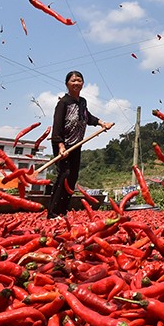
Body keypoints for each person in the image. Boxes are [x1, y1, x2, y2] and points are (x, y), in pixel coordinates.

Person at [48, 71, 113, 218]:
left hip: (76, 145)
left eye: (79, 80)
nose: (76, 83)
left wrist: (102, 123)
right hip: (63, 145)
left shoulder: (82, 102)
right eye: (73, 81)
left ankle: (63, 212)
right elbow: (57, 125)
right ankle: (53, 213)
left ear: (83, 83)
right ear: (67, 84)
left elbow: (87, 117)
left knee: (73, 177)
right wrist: (60, 146)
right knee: (64, 175)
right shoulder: (63, 103)